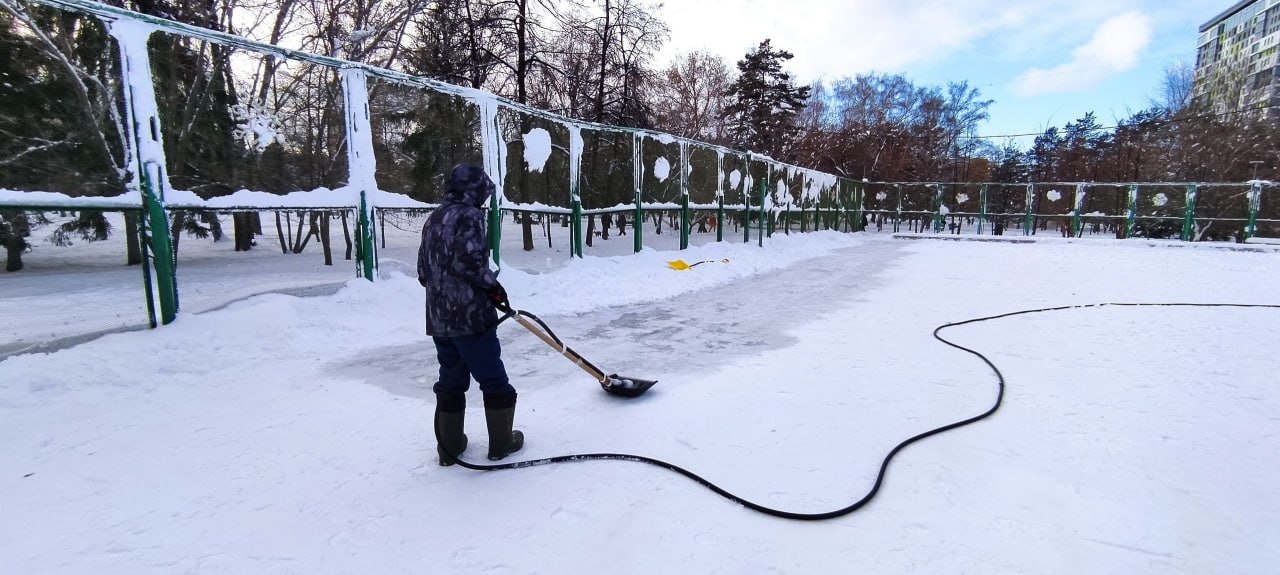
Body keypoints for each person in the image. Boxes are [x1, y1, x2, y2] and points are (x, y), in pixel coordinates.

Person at [417, 164, 524, 465]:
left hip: (439, 318)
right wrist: (494, 288)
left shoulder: (433, 218)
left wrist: (443, 293)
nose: (484, 200)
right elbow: (470, 263)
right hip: (470, 317)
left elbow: (423, 271)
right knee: (493, 378)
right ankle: (501, 444)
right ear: (473, 190)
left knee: (450, 379)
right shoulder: (470, 216)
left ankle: (449, 448)